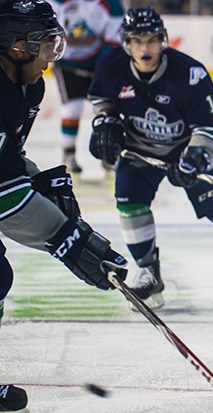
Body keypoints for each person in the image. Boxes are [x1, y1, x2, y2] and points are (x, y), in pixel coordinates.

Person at [86, 7, 213, 311]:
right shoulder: (110, 66)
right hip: (140, 152)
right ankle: (148, 274)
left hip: (188, 150)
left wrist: (197, 157)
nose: (145, 48)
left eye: (152, 40)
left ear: (163, 40)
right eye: (138, 41)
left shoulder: (189, 74)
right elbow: (102, 100)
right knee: (130, 205)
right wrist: (107, 122)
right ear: (126, 43)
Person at [0, 1, 128, 411]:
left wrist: (36, 181)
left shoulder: (28, 85)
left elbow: (6, 163)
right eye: (43, 45)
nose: (52, 55)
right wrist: (64, 237)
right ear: (14, 45)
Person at [50, 0, 123, 173]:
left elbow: (113, 42)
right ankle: (69, 154)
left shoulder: (112, 4)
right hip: (66, 62)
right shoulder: (55, 2)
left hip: (97, 62)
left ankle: (109, 153)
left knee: (108, 109)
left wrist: (102, 67)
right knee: (72, 108)